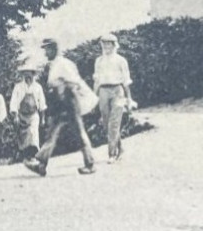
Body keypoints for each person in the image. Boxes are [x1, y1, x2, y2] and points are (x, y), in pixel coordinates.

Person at [25, 38, 97, 176]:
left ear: (54, 49)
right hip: (59, 101)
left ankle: (90, 163)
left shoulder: (64, 64)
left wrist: (67, 98)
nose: (45, 53)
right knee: (51, 133)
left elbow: (74, 82)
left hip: (68, 101)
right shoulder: (55, 64)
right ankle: (41, 164)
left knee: (78, 132)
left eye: (47, 49)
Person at [92, 32, 136, 162]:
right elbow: (97, 81)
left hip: (118, 91)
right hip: (103, 92)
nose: (106, 46)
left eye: (109, 43)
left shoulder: (121, 60)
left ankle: (112, 154)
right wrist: (95, 98)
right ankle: (120, 148)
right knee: (107, 124)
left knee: (114, 123)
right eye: (104, 43)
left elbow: (126, 81)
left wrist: (129, 99)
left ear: (114, 45)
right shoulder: (98, 61)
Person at [8, 61, 47, 163]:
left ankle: (34, 156)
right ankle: (25, 156)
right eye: (25, 73)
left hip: (33, 115)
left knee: (33, 133)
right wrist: (15, 115)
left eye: (29, 73)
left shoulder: (38, 87)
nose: (27, 75)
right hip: (22, 115)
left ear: (33, 74)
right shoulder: (18, 87)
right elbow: (14, 102)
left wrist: (43, 118)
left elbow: (42, 103)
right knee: (23, 136)